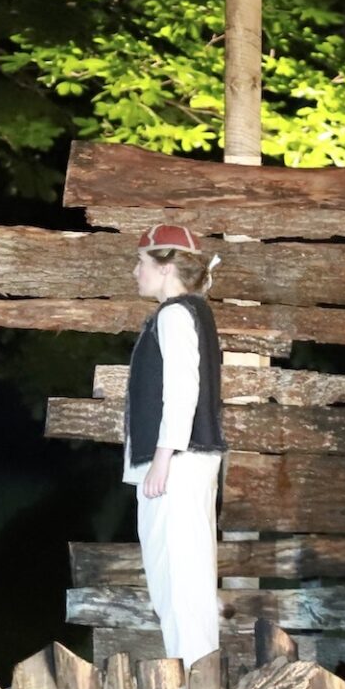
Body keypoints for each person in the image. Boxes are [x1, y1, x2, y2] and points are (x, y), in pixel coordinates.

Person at [125, 224, 228, 664]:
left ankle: (194, 682)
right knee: (181, 580)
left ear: (166, 267)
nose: (136, 272)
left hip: (178, 465)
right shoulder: (192, 312)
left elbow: (182, 391)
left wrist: (163, 457)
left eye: (142, 262)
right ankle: (193, 677)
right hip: (186, 463)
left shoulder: (174, 315)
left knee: (179, 580)